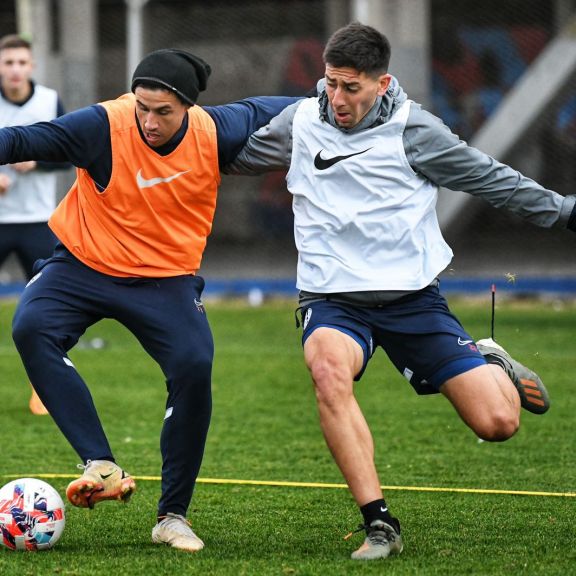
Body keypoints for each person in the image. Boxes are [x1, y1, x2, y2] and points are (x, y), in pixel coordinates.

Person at [225, 22, 576, 561]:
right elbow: (230, 155)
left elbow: (493, 179)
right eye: (330, 83)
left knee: (499, 423)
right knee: (327, 371)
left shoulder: (418, 132)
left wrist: (567, 212)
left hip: (413, 301)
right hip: (332, 299)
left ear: (383, 83)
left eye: (351, 88)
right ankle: (379, 524)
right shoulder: (300, 120)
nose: (336, 99)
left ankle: (490, 359)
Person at [1, 48, 298, 552]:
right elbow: (28, 138)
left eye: (163, 111)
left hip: (165, 279)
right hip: (82, 264)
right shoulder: (104, 125)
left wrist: (336, 94)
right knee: (30, 326)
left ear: (188, 107)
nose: (149, 120)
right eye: (142, 106)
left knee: (194, 365)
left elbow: (282, 108)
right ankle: (100, 464)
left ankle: (172, 516)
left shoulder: (215, 129)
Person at [0, 34, 70, 416]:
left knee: (46, 308)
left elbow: (70, 153)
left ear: (32, 66)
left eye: (21, 62)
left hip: (38, 222)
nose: (15, 69)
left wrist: (37, 161)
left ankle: (41, 388)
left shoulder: (48, 101)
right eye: (8, 62)